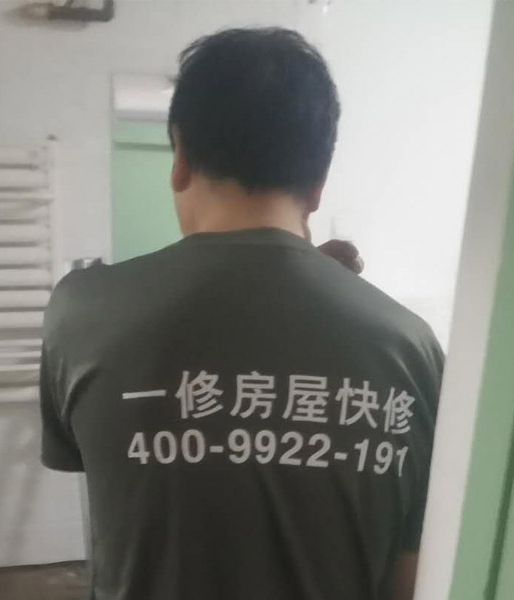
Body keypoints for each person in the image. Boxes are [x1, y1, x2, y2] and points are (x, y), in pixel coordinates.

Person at [40, 27, 444, 600]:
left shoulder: (80, 311)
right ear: (318, 184)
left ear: (180, 159)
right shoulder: (413, 347)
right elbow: (411, 571)